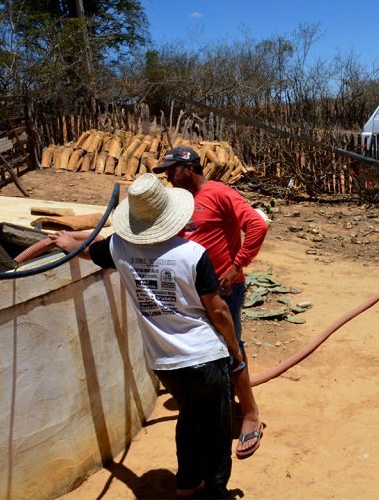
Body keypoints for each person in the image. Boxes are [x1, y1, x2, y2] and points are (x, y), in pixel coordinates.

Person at [50, 173, 241, 499]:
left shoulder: (120, 247)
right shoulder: (193, 254)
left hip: (165, 363)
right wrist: (234, 350)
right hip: (205, 356)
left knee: (190, 418)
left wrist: (68, 242)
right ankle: (215, 491)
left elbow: (88, 251)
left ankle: (186, 485)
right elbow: (219, 311)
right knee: (217, 430)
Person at [153, 146, 268, 460]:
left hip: (223, 290)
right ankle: (220, 408)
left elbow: (258, 226)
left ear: (190, 168)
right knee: (208, 353)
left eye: (171, 171)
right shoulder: (179, 202)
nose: (167, 177)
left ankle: (250, 415)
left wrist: (237, 264)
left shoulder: (219, 193)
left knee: (232, 348)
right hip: (193, 293)